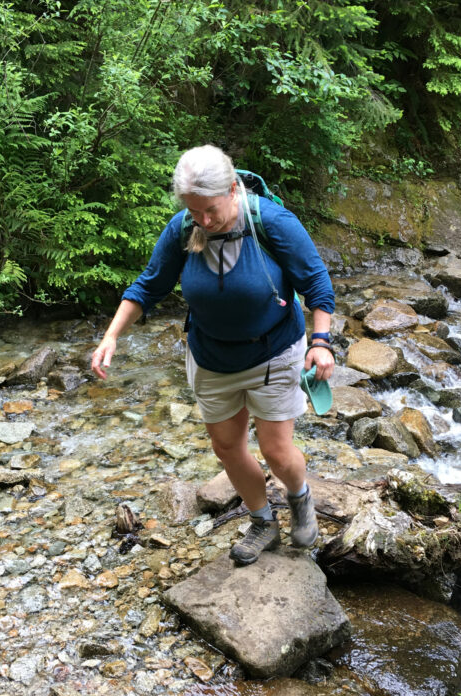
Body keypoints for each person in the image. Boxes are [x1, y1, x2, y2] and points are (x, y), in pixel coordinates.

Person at [90, 145, 335, 566]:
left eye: (211, 210)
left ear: (233, 190)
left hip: (274, 350)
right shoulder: (184, 228)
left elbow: (317, 283)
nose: (203, 220)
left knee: (277, 451)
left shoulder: (271, 222)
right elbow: (149, 286)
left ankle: (299, 497)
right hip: (211, 356)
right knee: (226, 446)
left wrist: (321, 342)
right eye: (194, 210)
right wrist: (111, 335)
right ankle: (262, 521)